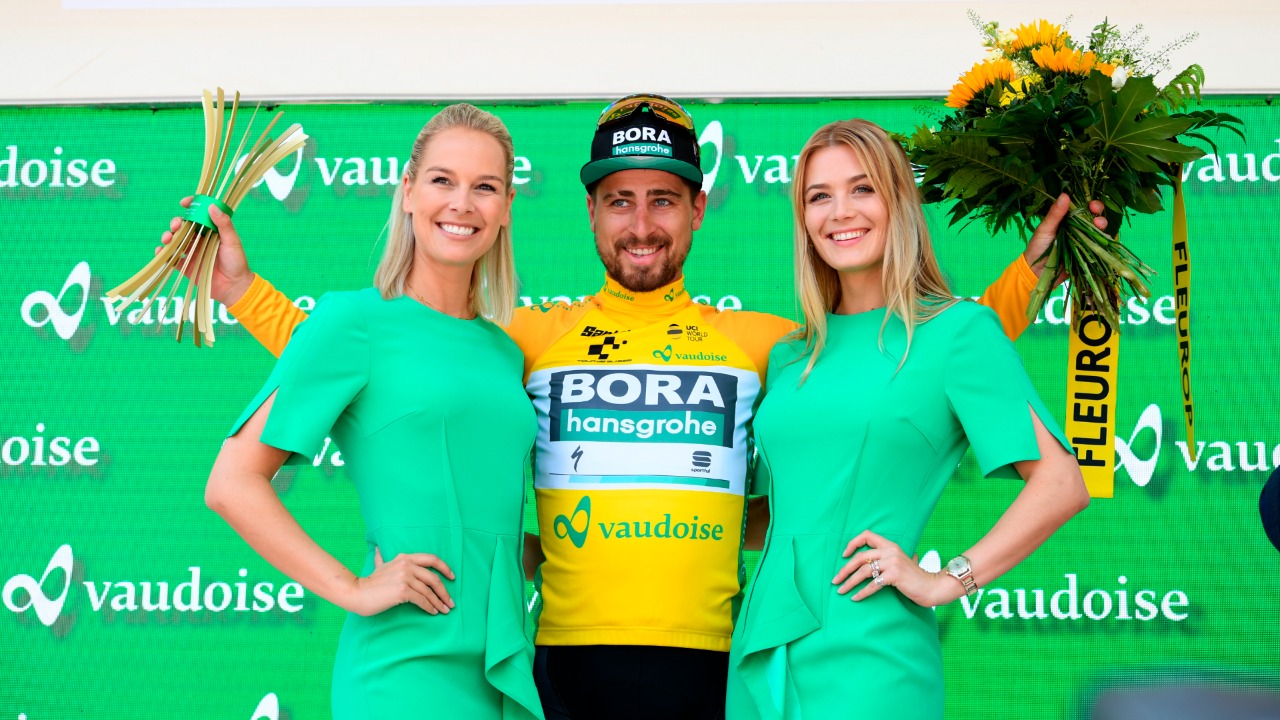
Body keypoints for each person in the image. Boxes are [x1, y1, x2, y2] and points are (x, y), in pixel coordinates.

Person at [183, 95, 1089, 719]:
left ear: (698, 210)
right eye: (619, 201)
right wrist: (245, 296)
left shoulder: (775, 345)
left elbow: (895, 363)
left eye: (663, 200)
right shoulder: (522, 342)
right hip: (557, 660)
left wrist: (1035, 275)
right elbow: (404, 360)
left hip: (723, 660)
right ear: (589, 213)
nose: (641, 222)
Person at [725, 118, 1091, 720]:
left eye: (862, 188)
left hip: (871, 657)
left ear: (899, 201)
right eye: (819, 196)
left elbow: (1061, 484)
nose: (840, 212)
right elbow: (783, 517)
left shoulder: (958, 332)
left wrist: (947, 580)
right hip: (760, 647)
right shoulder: (791, 355)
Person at [204, 103, 544, 719]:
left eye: (485, 187)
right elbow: (232, 483)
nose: (462, 203)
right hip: (403, 667)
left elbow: (481, 515)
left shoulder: (504, 353)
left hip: (503, 663)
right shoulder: (351, 321)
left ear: (506, 207)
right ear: (408, 192)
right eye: (442, 180)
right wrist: (351, 588)